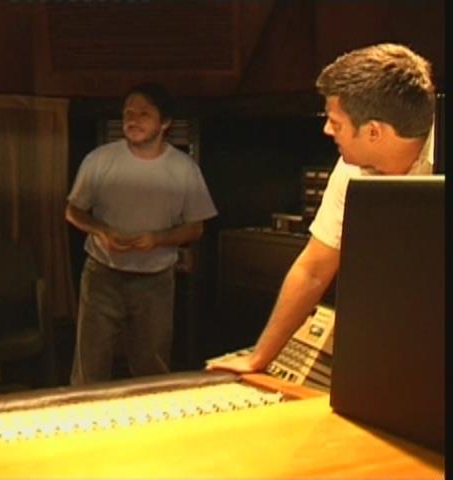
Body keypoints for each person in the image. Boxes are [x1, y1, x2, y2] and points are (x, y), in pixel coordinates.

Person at [208, 43, 436, 374]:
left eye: (335, 122)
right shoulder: (350, 169)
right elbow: (314, 269)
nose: (326, 130)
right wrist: (259, 358)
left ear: (374, 132)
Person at [67, 82, 218, 385]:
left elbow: (196, 227)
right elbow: (73, 211)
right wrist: (101, 231)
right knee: (89, 365)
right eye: (128, 113)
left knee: (152, 366)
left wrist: (157, 239)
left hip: (155, 279)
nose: (133, 120)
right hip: (102, 274)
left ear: (165, 122)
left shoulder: (183, 169)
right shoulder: (100, 160)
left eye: (144, 114)